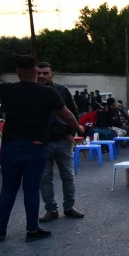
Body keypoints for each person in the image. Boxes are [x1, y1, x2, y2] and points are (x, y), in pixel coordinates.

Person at [0, 55, 82, 242]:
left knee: (8, 188)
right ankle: (32, 230)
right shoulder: (49, 93)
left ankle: (0, 230)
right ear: (35, 72)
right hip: (37, 146)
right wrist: (78, 128)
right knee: (31, 188)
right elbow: (68, 115)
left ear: (17, 72)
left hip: (10, 145)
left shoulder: (7, 89)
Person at [36, 63, 84, 222]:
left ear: (52, 74)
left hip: (63, 141)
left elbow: (74, 112)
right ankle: (51, 209)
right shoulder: (31, 91)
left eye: (45, 73)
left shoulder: (62, 90)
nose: (41, 76)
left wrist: (72, 132)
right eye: (39, 73)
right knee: (45, 178)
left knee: (68, 176)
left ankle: (69, 207)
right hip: (41, 143)